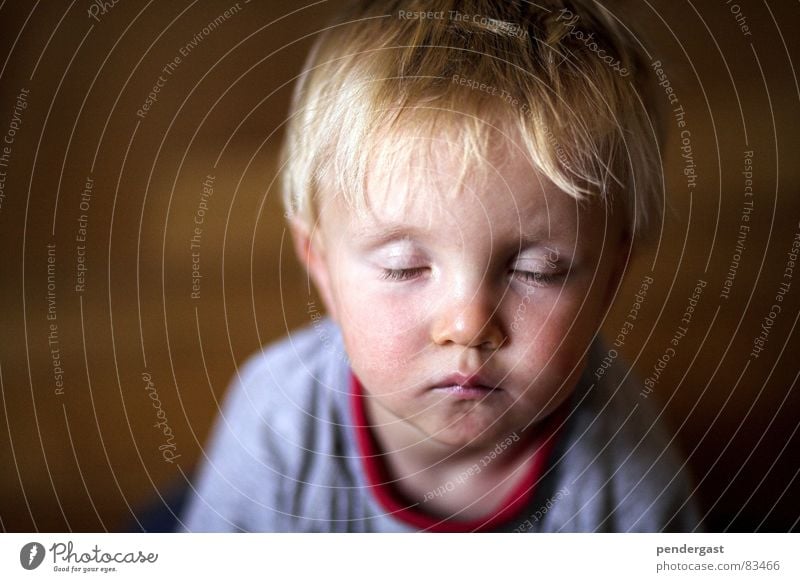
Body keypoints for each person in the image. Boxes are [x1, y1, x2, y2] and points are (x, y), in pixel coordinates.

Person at [179, 0, 702, 532]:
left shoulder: (626, 473)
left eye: (538, 271)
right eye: (404, 267)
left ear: (611, 279)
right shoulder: (277, 422)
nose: (468, 325)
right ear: (321, 265)